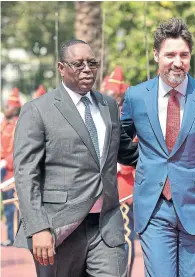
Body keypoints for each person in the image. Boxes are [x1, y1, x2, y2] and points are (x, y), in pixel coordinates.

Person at [118, 18, 195, 277]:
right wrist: (143, 162)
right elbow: (119, 140)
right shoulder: (136, 97)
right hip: (154, 208)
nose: (177, 62)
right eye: (169, 54)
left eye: (183, 55)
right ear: (155, 55)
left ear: (190, 56)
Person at [13, 39, 137, 277]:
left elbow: (126, 152)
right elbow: (27, 174)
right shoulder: (38, 110)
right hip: (59, 228)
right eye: (78, 64)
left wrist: (173, 157)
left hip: (106, 225)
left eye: (92, 63)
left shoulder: (108, 105)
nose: (87, 69)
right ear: (61, 68)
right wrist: (38, 227)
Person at [102, 66, 136, 277]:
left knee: (124, 239)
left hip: (124, 188)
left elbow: (136, 148)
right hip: (102, 189)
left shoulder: (128, 118)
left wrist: (119, 164)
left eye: (113, 95)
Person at [0, 87, 21, 247]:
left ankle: (18, 238)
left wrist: (6, 162)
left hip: (12, 171)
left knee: (15, 206)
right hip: (3, 168)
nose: (6, 108)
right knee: (7, 205)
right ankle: (10, 237)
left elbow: (18, 150)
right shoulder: (4, 124)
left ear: (14, 108)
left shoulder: (17, 125)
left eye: (8, 106)